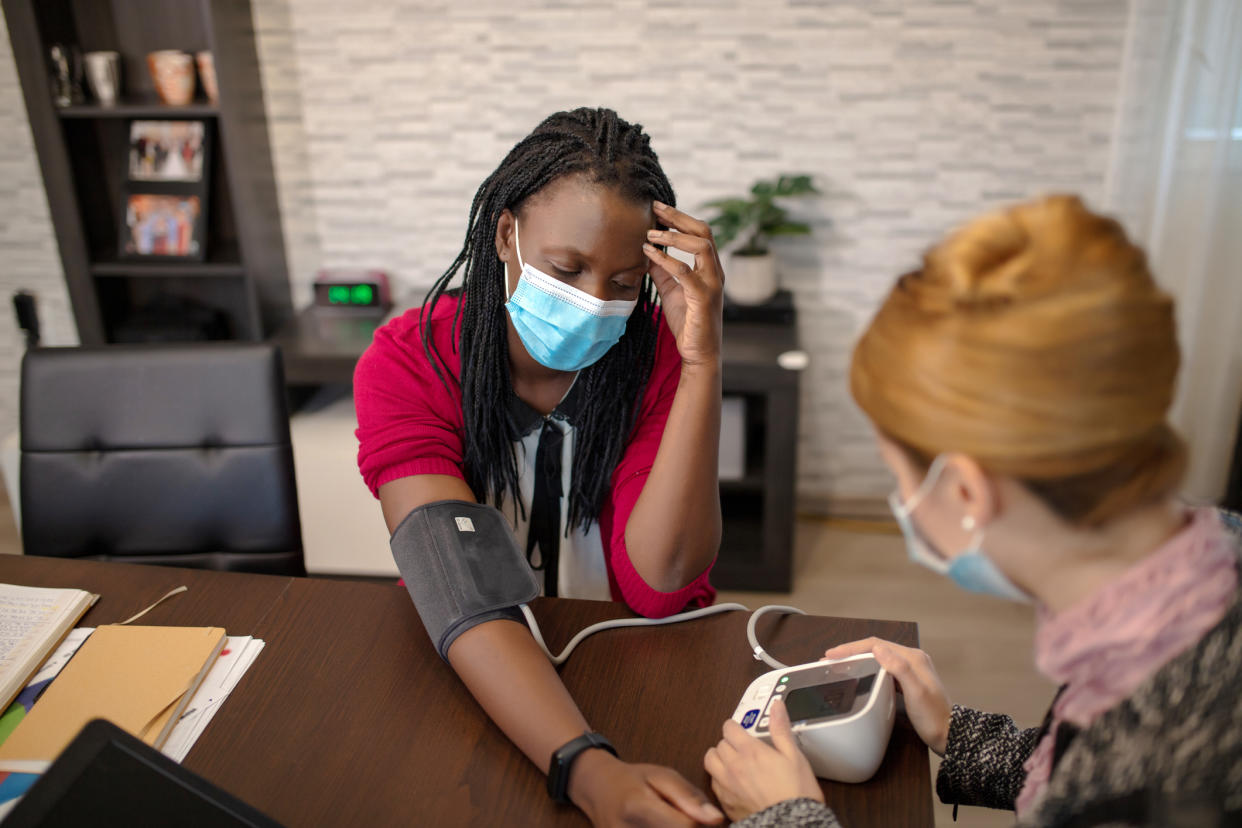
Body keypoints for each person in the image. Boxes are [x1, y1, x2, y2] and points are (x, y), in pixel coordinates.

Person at [704, 195, 1242, 826]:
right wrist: (959, 736)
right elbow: (1080, 766)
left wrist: (788, 818)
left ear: (964, 492)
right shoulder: (1208, 566)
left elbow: (1105, 785)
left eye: (899, 475)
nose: (902, 502)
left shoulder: (1166, 765)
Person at [354, 107, 726, 826]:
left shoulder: (653, 355)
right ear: (505, 235)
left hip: (631, 661)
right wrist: (584, 768)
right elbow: (456, 580)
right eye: (566, 268)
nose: (592, 302)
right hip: (471, 663)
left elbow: (661, 584)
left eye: (622, 283)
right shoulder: (410, 360)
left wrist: (702, 362)